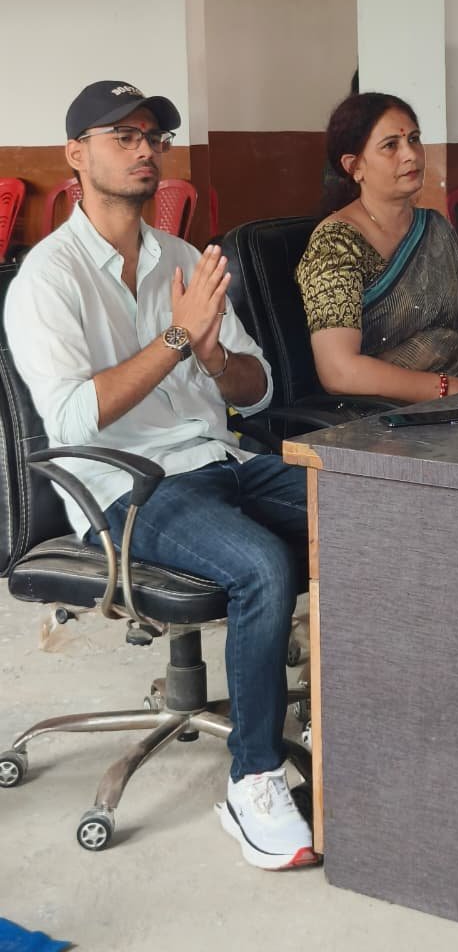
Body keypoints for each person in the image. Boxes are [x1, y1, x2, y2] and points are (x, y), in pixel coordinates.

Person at [3, 81, 318, 872]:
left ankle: (341, 722)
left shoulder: (182, 260)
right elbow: (73, 419)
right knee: (261, 567)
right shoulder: (48, 279)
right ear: (76, 155)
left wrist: (214, 356)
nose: (145, 150)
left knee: (371, 515)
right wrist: (178, 338)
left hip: (221, 460)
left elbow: (259, 390)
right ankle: (252, 781)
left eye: (154, 137)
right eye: (123, 136)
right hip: (127, 489)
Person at [297, 91, 458, 403]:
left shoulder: (435, 227)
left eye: (414, 139)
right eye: (391, 145)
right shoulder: (336, 243)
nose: (411, 155)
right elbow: (338, 370)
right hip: (385, 415)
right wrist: (451, 389)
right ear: (355, 166)